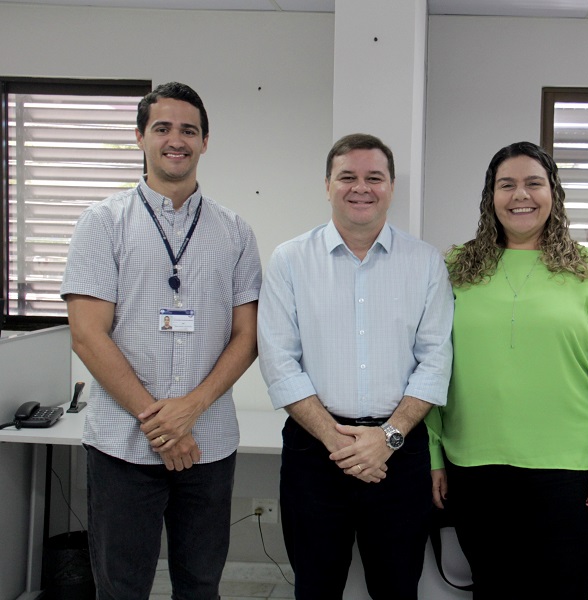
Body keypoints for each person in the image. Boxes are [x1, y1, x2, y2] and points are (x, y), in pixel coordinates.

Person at [61, 81, 262, 600]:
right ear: (140, 137)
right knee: (121, 587)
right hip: (122, 446)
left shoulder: (235, 231)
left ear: (205, 142)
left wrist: (190, 410)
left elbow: (248, 334)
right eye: (163, 128)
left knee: (200, 584)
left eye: (189, 130)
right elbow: (87, 334)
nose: (177, 139)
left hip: (209, 444)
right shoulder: (102, 223)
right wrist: (161, 422)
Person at [427, 141, 588, 599]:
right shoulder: (455, 268)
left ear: (553, 194)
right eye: (507, 185)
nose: (520, 195)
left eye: (533, 183)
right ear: (491, 196)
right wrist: (433, 454)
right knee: (492, 589)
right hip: (474, 467)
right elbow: (430, 365)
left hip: (568, 472)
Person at [257, 133, 453, 600]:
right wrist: (336, 440)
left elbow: (436, 359)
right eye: (347, 176)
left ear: (390, 188)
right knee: (316, 587)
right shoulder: (289, 260)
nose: (360, 187)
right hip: (314, 454)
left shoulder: (425, 263)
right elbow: (278, 360)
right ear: (327, 185)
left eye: (374, 177)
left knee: (398, 587)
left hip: (399, 455)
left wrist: (385, 440)